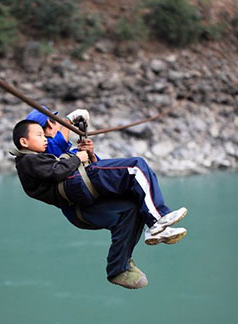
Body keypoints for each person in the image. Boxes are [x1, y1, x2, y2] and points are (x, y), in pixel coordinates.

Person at [11, 119, 188, 289]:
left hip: (81, 199)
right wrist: (76, 153)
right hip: (77, 188)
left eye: (45, 134)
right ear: (24, 141)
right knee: (136, 167)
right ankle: (157, 219)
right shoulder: (30, 160)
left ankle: (119, 268)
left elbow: (89, 166)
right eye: (41, 134)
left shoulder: (43, 156)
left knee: (131, 210)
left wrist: (89, 155)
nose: (45, 137)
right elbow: (58, 169)